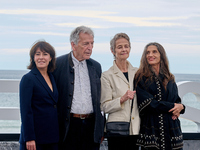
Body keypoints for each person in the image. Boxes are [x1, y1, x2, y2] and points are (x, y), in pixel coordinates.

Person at [53, 26, 104, 150]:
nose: (90, 48)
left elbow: (99, 100)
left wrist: (101, 127)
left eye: (92, 43)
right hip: (69, 126)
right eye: (85, 44)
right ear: (73, 45)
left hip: (91, 126)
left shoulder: (96, 66)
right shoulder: (57, 64)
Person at [134, 42, 185, 150]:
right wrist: (172, 106)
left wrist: (181, 107)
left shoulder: (170, 78)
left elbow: (177, 100)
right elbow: (148, 104)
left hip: (172, 130)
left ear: (161, 55)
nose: (150, 55)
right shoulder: (140, 77)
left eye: (154, 52)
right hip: (151, 130)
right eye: (147, 52)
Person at [100, 33, 140, 150]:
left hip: (135, 129)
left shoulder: (138, 72)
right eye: (120, 47)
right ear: (113, 50)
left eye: (126, 46)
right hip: (117, 130)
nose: (124, 49)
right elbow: (104, 106)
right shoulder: (107, 76)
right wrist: (122, 99)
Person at [19, 41, 59, 150]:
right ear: (33, 58)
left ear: (51, 58)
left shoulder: (52, 77)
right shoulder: (28, 79)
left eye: (45, 54)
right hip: (35, 139)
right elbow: (25, 110)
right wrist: (29, 138)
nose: (41, 57)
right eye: (37, 54)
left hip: (52, 137)